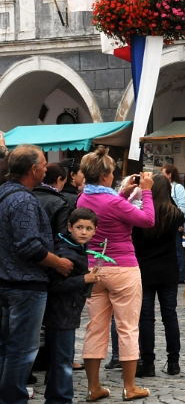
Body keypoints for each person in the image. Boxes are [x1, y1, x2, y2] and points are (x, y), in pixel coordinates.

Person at [78, 147, 154, 402]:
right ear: (104, 177)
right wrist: (146, 190)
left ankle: (93, 387)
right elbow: (147, 219)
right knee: (127, 327)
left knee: (95, 328)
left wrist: (125, 192)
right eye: (111, 174)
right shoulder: (112, 201)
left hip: (94, 268)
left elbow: (112, 205)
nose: (112, 177)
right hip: (122, 267)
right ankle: (130, 387)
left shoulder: (83, 198)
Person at [0, 145, 74, 404]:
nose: (46, 168)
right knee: (22, 350)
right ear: (32, 169)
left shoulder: (5, 193)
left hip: (9, 282)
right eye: (43, 164)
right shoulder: (23, 200)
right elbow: (29, 245)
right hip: (24, 285)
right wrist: (59, 264)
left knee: (8, 349)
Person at [43, 208, 100, 404]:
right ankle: (61, 399)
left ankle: (54, 398)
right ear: (70, 227)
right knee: (63, 361)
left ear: (95, 230)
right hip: (62, 313)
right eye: (79, 227)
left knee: (59, 360)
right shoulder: (66, 251)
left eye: (88, 228)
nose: (83, 232)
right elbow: (56, 285)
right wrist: (84, 279)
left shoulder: (76, 248)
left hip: (67, 312)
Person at [132, 174, 183, 377]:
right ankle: (173, 362)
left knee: (146, 318)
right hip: (169, 270)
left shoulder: (141, 216)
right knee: (170, 316)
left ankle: (148, 362)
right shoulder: (176, 214)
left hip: (145, 270)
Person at [161, 164, 185, 284]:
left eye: (163, 173)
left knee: (177, 249)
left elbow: (182, 206)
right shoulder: (163, 187)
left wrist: (179, 222)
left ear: (169, 175)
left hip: (175, 222)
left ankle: (180, 275)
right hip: (165, 223)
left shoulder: (178, 188)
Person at [34, 163, 72, 238]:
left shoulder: (28, 195)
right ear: (58, 179)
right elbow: (61, 235)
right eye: (63, 182)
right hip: (50, 247)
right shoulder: (61, 203)